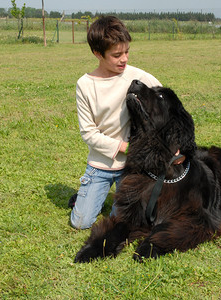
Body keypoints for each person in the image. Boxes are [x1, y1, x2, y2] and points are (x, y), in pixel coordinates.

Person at [70, 16, 162, 229]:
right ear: (97, 54)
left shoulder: (137, 76)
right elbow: (88, 133)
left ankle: (104, 198)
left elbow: (164, 101)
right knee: (81, 223)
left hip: (131, 168)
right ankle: (83, 198)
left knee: (122, 221)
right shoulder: (84, 85)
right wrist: (124, 147)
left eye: (127, 52)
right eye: (117, 55)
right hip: (99, 166)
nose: (124, 59)